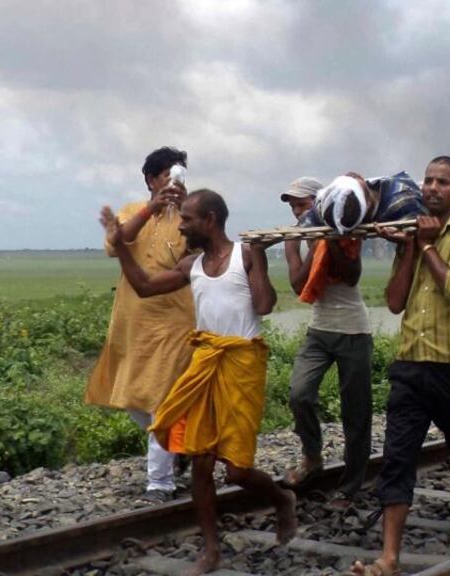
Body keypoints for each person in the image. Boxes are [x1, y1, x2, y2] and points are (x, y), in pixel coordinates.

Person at [100, 189, 297, 575]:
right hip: (204, 362)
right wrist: (121, 244)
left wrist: (259, 256)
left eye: (187, 219)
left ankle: (281, 498)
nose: (181, 225)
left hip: (241, 364)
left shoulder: (244, 255)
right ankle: (211, 550)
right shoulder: (192, 264)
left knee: (237, 472)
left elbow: (263, 306)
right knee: (202, 464)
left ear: (209, 220)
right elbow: (144, 286)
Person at [354, 157, 450, 575]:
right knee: (397, 457)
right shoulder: (411, 233)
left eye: (444, 182)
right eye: (429, 181)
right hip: (410, 367)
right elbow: (396, 302)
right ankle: (390, 556)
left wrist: (428, 246)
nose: (433, 188)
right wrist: (407, 249)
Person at [86, 146, 194, 503]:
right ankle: (178, 446)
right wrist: (154, 207)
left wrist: (186, 206)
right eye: (165, 177)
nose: (171, 184)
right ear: (151, 179)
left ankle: (160, 483)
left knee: (161, 399)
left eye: (176, 176)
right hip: (132, 322)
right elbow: (118, 242)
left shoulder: (188, 216)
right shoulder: (134, 210)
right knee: (134, 398)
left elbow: (203, 246)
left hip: (174, 322)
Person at [278, 177, 374, 513]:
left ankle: (349, 487)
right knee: (299, 394)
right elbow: (299, 284)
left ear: (320, 205)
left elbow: (352, 275)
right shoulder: (300, 238)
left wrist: (330, 239)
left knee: (356, 413)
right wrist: (307, 244)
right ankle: (312, 456)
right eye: (293, 206)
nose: (297, 211)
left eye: (302, 205)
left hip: (353, 331)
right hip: (319, 329)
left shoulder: (347, 231)